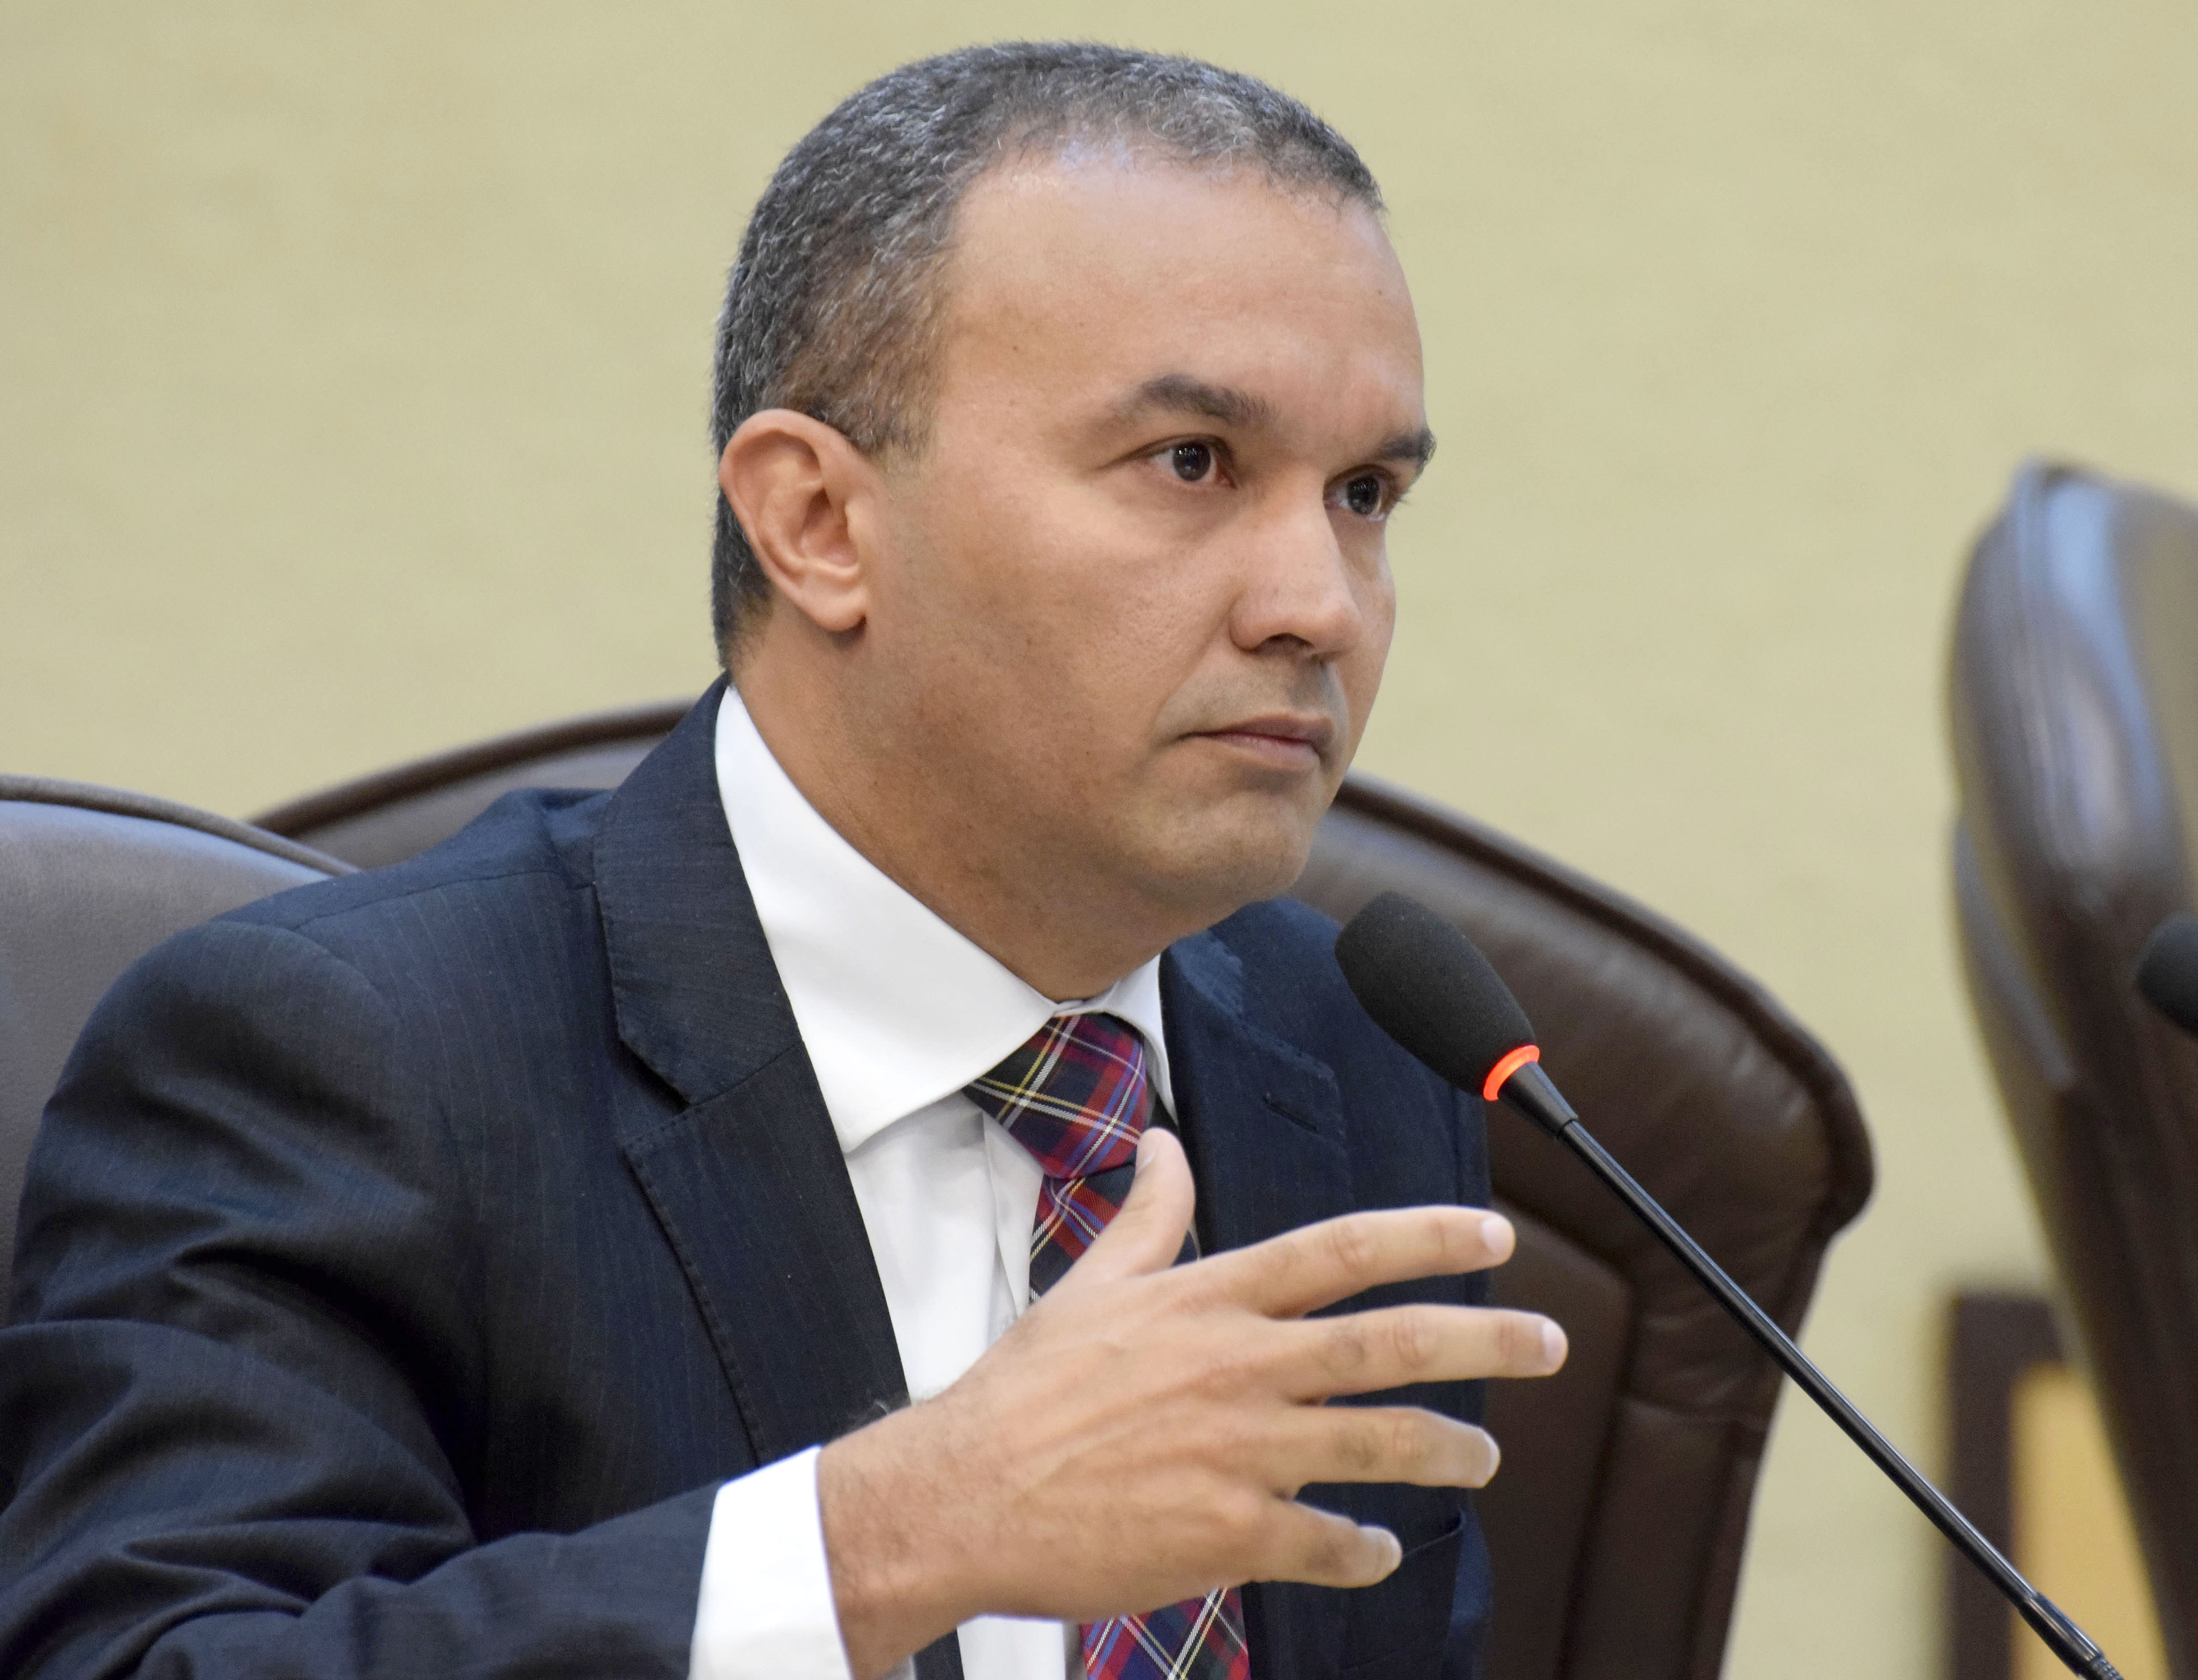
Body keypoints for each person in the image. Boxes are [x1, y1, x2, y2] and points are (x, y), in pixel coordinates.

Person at [0, 42, 1565, 1680]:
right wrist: (891, 1538)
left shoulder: (1359, 1058)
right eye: (1192, 463)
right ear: (817, 521)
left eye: (1366, 493)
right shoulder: (348, 1058)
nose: (1317, 603)